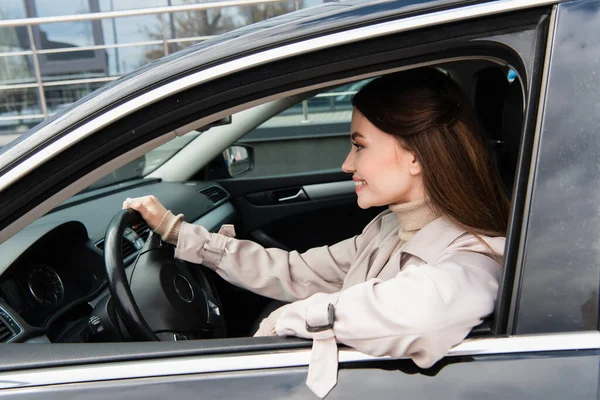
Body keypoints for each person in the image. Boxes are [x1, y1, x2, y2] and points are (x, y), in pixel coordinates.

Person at [123, 68, 509, 398]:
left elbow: (425, 314)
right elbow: (297, 271)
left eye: (359, 146)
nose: (346, 164)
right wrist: (179, 234)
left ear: (414, 157)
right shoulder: (390, 228)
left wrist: (296, 317)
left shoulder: (474, 255)